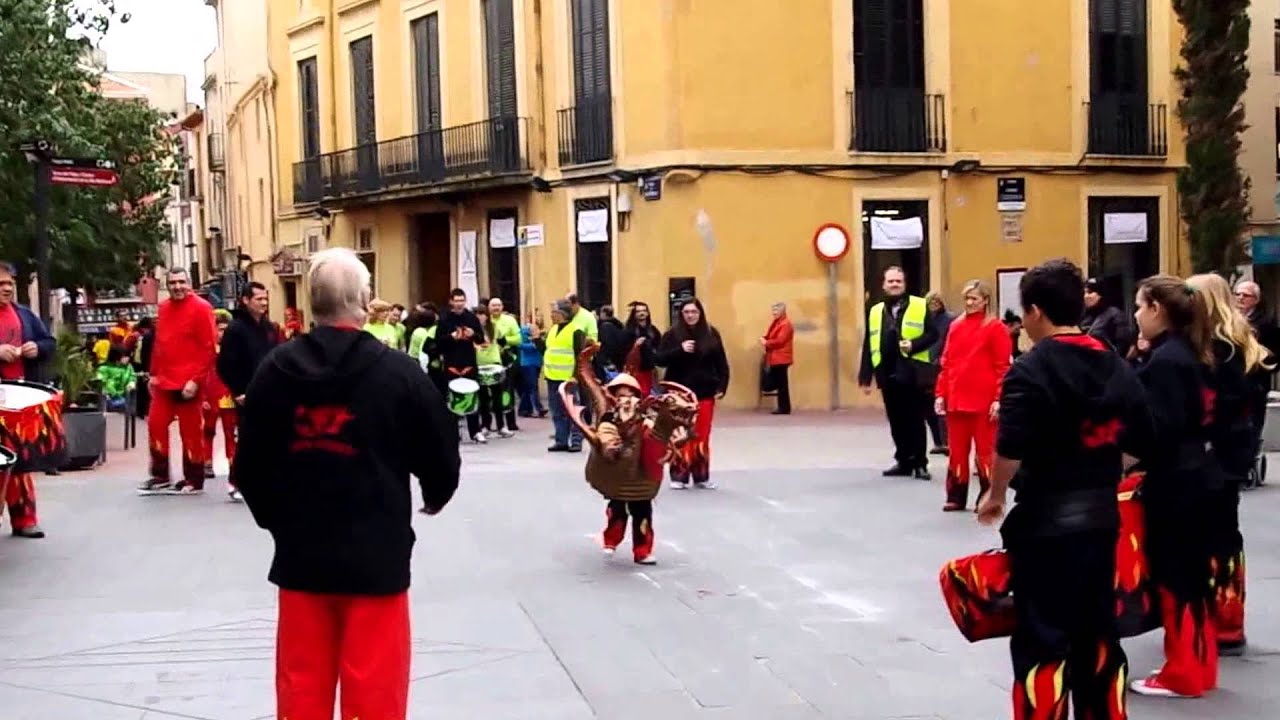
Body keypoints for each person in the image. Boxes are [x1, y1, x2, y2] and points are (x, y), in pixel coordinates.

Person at [234, 248, 460, 720]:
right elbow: (439, 444)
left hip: (302, 552)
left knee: (302, 682)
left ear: (311, 301)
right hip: (377, 551)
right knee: (375, 686)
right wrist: (436, 494)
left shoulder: (274, 371)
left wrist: (275, 520)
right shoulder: (398, 372)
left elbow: (250, 462)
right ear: (364, 299)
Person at [976, 259, 1152, 719]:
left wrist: (995, 494)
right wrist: (1102, 467)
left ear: (1036, 311)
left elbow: (1010, 447)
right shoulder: (1114, 363)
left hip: (1045, 523)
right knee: (1098, 635)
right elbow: (1143, 438)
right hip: (1100, 519)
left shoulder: (1030, 369)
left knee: (1043, 638)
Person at [1127, 275, 1220, 699]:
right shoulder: (1192, 351)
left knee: (1175, 577)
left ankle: (1182, 672)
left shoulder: (1166, 361)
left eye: (1139, 306)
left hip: (1174, 482)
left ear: (1157, 309)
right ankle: (1199, 665)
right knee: (1194, 578)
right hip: (1198, 473)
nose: (1136, 315)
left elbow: (1158, 430)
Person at [1189, 273, 1271, 658]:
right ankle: (1228, 616)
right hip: (1231, 455)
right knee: (1225, 536)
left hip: (1215, 457)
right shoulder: (1239, 343)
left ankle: (1219, 619)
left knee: (1213, 537)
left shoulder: (1216, 350)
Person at [567, 371, 693, 565]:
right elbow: (607, 443)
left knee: (643, 515)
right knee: (617, 512)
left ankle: (642, 551)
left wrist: (677, 438)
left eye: (631, 395)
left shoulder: (646, 422)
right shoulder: (609, 423)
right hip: (619, 480)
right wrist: (613, 446)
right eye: (621, 396)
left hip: (642, 482)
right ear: (614, 398)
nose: (627, 400)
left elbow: (660, 443)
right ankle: (611, 540)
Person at [934, 280, 1011, 512]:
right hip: (957, 398)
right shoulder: (956, 326)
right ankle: (956, 495)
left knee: (985, 452)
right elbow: (947, 363)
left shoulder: (996, 328)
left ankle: (988, 496)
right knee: (957, 451)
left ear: (985, 300)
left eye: (974, 298)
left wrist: (998, 398)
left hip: (983, 400)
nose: (969, 303)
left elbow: (1002, 367)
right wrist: (941, 394)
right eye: (967, 298)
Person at [139, 268, 217, 495]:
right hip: (164, 380)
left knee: (190, 431)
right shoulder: (163, 308)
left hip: (189, 382)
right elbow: (160, 344)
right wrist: (153, 374)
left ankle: (194, 478)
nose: (177, 287)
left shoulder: (202, 308)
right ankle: (160, 475)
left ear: (189, 283)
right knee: (155, 424)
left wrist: (196, 380)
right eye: (173, 283)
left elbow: (209, 348)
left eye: (181, 282)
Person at [858, 266, 939, 480]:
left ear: (904, 284)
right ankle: (903, 460)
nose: (894, 285)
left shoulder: (919, 305)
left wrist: (914, 345)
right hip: (887, 372)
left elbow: (933, 334)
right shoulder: (875, 310)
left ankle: (920, 463)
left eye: (898, 281)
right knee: (896, 420)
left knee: (915, 419)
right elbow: (869, 342)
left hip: (913, 372)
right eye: (891, 281)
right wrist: (865, 375)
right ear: (884, 285)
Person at [0, 261, 55, 539]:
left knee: (19, 461)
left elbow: (49, 342)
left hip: (20, 397)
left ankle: (25, 519)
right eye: (1, 284)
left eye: (9, 283)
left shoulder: (24, 314)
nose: (7, 288)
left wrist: (38, 348)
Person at [656, 298, 730, 489]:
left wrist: (722, 386)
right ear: (681, 314)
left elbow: (721, 362)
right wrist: (679, 350)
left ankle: (701, 476)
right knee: (680, 434)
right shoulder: (672, 335)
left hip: (704, 392)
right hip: (679, 394)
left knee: (701, 435)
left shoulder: (711, 334)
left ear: (700, 313)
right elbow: (660, 359)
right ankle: (679, 476)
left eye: (694, 312)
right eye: (687, 312)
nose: (690, 315)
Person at [436, 288, 487, 443]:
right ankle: (453, 430)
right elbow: (438, 343)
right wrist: (451, 337)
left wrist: (473, 334)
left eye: (462, 301)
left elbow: (481, 339)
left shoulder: (471, 317)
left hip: (469, 362)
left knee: (472, 396)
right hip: (451, 363)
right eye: (456, 301)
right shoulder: (444, 319)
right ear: (451, 302)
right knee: (451, 397)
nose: (459, 304)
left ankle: (475, 431)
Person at [539, 300, 589, 452]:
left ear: (562, 314)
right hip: (552, 376)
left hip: (568, 379)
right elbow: (547, 350)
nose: (551, 315)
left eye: (554, 312)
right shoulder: (553, 330)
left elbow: (580, 356)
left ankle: (576, 440)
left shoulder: (576, 331)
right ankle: (561, 440)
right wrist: (536, 340)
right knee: (556, 411)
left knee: (572, 411)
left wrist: (576, 376)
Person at [202, 310, 239, 492]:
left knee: (230, 432)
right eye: (220, 329)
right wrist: (202, 397)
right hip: (210, 395)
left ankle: (233, 464)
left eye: (225, 329)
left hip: (228, 395)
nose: (222, 333)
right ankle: (206, 462)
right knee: (208, 430)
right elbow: (201, 373)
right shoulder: (207, 349)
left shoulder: (234, 349)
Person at [925, 292, 955, 454]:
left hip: (944, 365)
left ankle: (947, 441)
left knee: (944, 404)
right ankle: (938, 441)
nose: (933, 305)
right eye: (930, 302)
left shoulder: (950, 319)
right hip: (927, 366)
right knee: (930, 406)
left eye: (936, 302)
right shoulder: (924, 320)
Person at [487, 297, 522, 432]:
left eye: (498, 305)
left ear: (502, 307)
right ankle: (490, 423)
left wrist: (503, 340)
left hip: (505, 358)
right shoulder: (486, 321)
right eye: (493, 305)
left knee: (507, 390)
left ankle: (510, 422)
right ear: (489, 308)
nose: (496, 308)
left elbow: (518, 339)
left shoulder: (510, 320)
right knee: (490, 392)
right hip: (489, 359)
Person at [1081, 277, 1134, 356]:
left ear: (1100, 294)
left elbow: (1123, 344)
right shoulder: (1083, 315)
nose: (1086, 296)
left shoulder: (1115, 315)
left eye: (1090, 292)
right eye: (1084, 293)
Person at [621, 301, 663, 396]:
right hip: (635, 371)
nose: (642, 313)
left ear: (648, 313)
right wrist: (635, 346)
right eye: (638, 311)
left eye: (644, 311)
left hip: (650, 370)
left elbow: (659, 346)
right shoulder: (629, 331)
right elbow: (623, 351)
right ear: (634, 314)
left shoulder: (653, 330)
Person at [761, 302, 794, 415]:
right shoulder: (777, 323)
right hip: (776, 357)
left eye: (776, 310)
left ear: (782, 311)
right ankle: (783, 407)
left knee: (781, 384)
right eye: (773, 310)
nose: (773, 313)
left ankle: (784, 408)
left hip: (781, 358)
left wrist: (766, 342)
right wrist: (765, 338)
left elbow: (780, 341)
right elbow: (771, 335)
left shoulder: (786, 324)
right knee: (780, 383)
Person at [517, 310, 547, 418]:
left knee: (528, 387)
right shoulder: (524, 330)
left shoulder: (542, 331)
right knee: (533, 386)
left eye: (540, 316)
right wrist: (534, 344)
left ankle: (524, 409)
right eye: (537, 316)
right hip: (528, 362)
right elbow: (520, 344)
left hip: (537, 362)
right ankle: (538, 408)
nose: (539, 318)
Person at [97, 345, 138, 412]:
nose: (128, 358)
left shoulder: (129, 367)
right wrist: (106, 393)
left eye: (128, 356)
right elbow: (101, 381)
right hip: (108, 397)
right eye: (125, 356)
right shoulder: (104, 368)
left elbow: (132, 376)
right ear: (117, 356)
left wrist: (132, 382)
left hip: (125, 396)